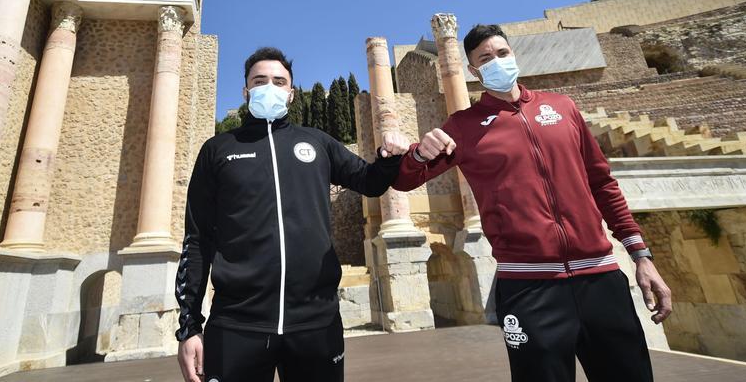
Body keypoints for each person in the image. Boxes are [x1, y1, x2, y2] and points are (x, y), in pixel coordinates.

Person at [392, 24, 672, 382]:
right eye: (485, 58)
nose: (497, 62)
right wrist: (417, 155)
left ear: (514, 56)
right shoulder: (463, 126)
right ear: (474, 71)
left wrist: (641, 255)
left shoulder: (563, 107)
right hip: (529, 287)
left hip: (600, 279)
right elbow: (404, 180)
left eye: (502, 53)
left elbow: (602, 183)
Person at [175, 47, 409, 382]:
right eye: (259, 80)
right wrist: (189, 326)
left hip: (316, 323)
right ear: (245, 91)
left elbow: (370, 182)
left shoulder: (318, 143)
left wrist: (388, 157)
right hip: (237, 324)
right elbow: (197, 240)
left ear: (291, 92)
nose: (269, 86)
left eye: (278, 81)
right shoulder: (218, 150)